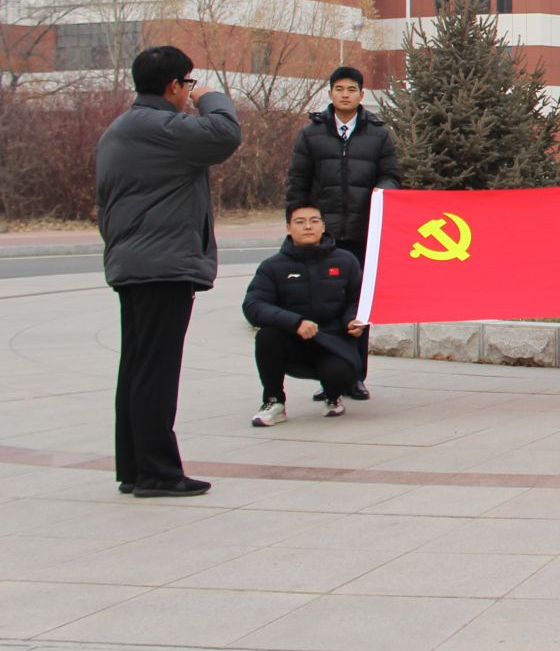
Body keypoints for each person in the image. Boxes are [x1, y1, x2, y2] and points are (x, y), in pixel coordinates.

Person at [95, 46, 242, 498]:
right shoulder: (160, 126)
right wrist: (211, 97)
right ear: (174, 85)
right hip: (162, 266)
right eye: (188, 84)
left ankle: (136, 468)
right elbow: (224, 135)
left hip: (135, 263)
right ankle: (158, 472)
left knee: (138, 369)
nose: (189, 93)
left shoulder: (121, 128)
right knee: (156, 372)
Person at [284, 64, 399, 400]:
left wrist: (383, 190)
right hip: (325, 237)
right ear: (330, 93)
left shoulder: (379, 134)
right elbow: (298, 182)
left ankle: (356, 376)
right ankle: (329, 378)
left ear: (361, 95)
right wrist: (297, 224)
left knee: (358, 307)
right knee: (325, 306)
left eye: (352, 90)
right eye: (339, 89)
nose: (345, 95)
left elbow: (392, 174)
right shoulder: (312, 134)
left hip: (363, 234)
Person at [243, 203, 365, 425]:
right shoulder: (272, 267)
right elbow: (253, 305)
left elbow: (359, 299)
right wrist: (295, 322)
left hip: (333, 343)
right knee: (267, 336)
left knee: (341, 373)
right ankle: (274, 401)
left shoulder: (346, 261)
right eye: (300, 222)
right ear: (289, 228)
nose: (308, 227)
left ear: (323, 226)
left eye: (314, 221)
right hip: (292, 341)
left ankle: (333, 396)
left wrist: (353, 320)